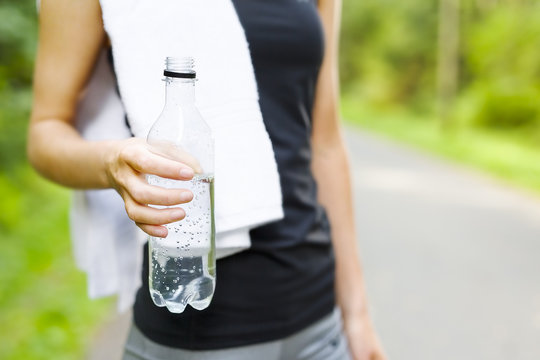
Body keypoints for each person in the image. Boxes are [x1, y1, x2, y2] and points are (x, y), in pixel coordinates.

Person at [28, 0, 386, 359]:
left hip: (319, 324)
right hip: (195, 332)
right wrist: (110, 163)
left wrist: (356, 314)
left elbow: (324, 143)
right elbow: (46, 130)